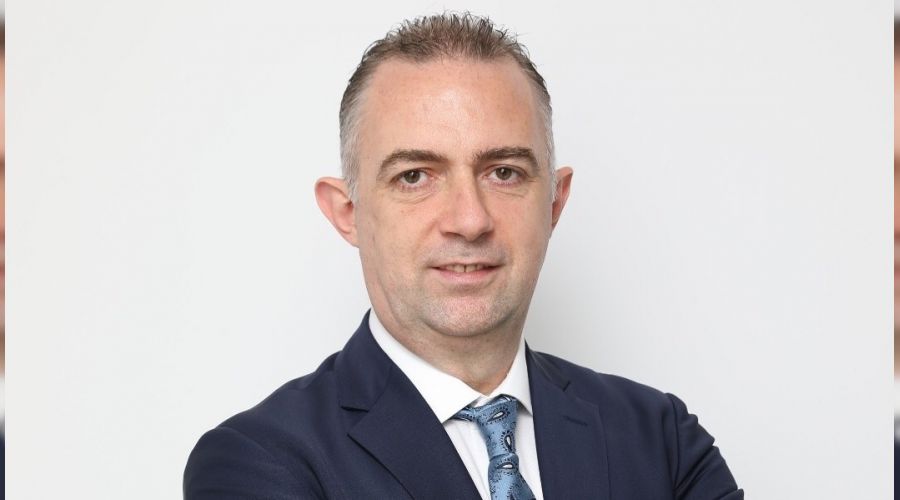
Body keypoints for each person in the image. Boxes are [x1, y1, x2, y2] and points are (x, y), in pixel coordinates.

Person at [184, 13, 742, 499]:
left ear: (554, 202)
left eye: (504, 172)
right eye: (415, 176)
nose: (469, 220)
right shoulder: (256, 460)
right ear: (347, 213)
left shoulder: (661, 439)